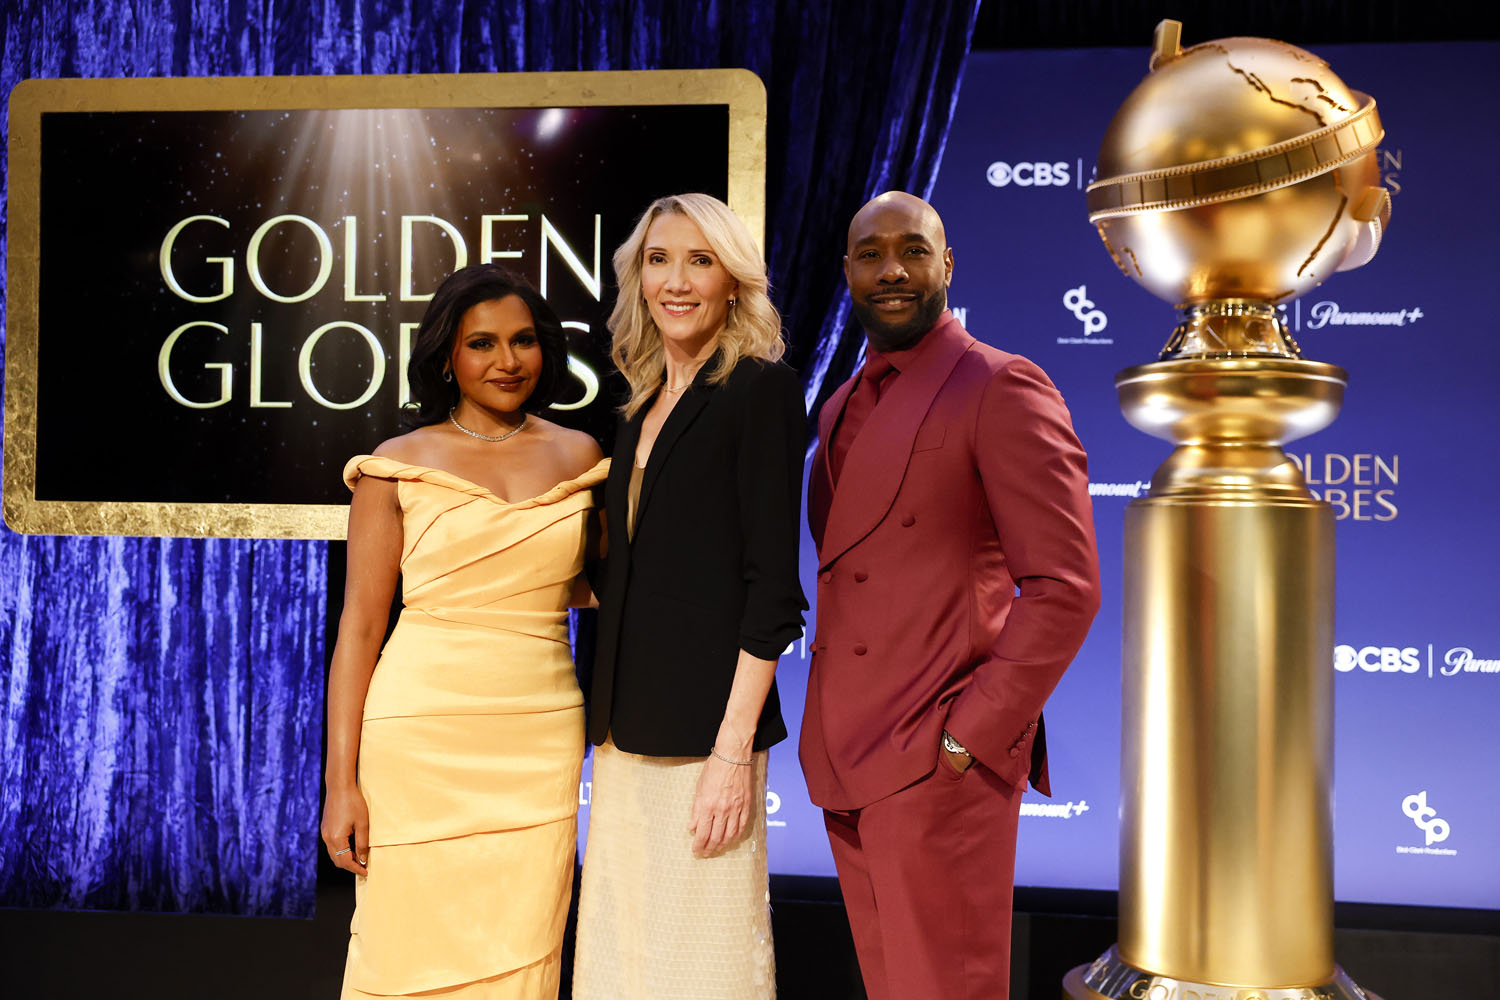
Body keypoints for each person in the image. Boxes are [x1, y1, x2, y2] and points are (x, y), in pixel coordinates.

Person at [801, 191, 1101, 1000]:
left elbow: (1065, 587)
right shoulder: (838, 408)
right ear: (847, 272)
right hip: (846, 756)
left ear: (948, 265)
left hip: (939, 759)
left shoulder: (1002, 384)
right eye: (871, 255)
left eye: (913, 250)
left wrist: (970, 737)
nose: (892, 270)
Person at [320, 263, 606, 999]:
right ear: (447, 355)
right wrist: (340, 784)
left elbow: (608, 588)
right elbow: (360, 628)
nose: (507, 361)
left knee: (524, 947)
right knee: (406, 948)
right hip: (419, 737)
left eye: (523, 341)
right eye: (482, 343)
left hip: (538, 736)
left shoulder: (582, 456)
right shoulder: (395, 465)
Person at [572, 193, 807, 1000]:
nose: (676, 281)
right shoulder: (638, 403)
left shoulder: (760, 391)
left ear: (733, 281)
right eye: (659, 260)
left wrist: (732, 755)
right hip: (623, 734)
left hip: (707, 741)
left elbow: (772, 593)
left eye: (700, 261)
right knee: (624, 961)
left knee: (703, 967)